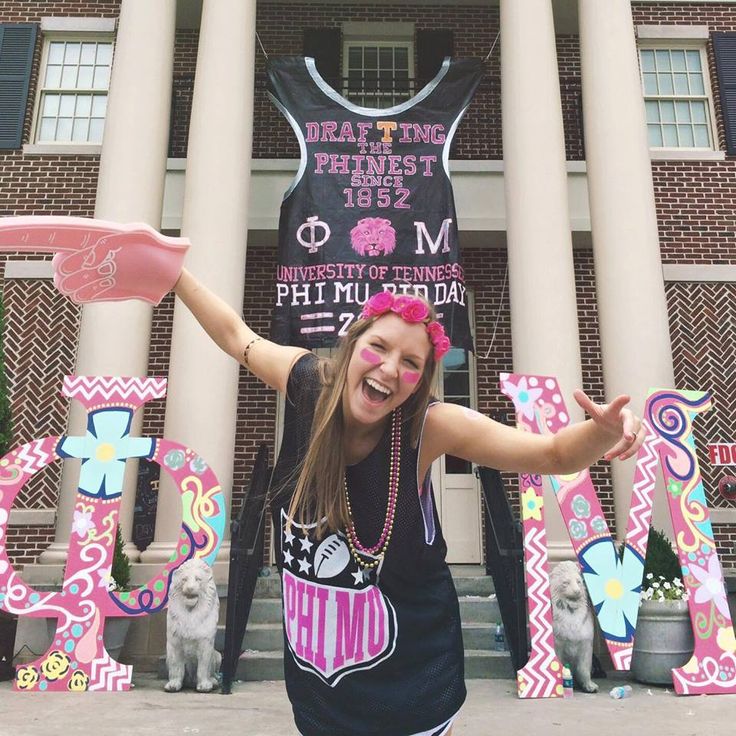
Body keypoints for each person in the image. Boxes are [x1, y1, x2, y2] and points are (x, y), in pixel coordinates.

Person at [174, 270, 644, 736]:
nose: (390, 368)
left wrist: (601, 431)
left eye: (411, 363)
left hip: (413, 688)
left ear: (420, 381)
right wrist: (175, 275)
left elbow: (553, 453)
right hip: (321, 692)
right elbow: (236, 335)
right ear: (353, 345)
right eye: (378, 347)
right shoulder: (306, 384)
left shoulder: (429, 426)